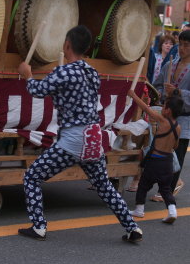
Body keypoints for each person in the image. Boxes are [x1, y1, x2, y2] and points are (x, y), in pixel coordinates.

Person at [17, 25, 143, 243]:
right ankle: (132, 227)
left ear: (67, 45)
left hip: (74, 139)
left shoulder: (64, 71)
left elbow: (37, 91)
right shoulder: (92, 72)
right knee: (104, 186)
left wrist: (27, 75)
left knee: (32, 177)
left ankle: (38, 226)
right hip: (94, 136)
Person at [128, 89, 183, 224]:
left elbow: (147, 109)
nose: (162, 108)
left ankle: (139, 210)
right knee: (165, 189)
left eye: (164, 106)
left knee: (144, 184)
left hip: (155, 161)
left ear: (168, 111)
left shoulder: (162, 121)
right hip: (167, 162)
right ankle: (172, 211)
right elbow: (175, 146)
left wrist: (134, 95)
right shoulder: (178, 127)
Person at [150, 29, 190, 201]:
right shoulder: (170, 64)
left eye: (186, 46)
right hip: (166, 116)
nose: (181, 49)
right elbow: (157, 85)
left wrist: (178, 92)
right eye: (180, 44)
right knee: (163, 152)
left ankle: (167, 190)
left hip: (184, 118)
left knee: (178, 154)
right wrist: (159, 94)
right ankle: (165, 186)